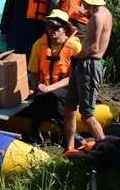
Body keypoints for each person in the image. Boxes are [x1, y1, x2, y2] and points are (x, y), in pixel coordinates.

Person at [63, 0, 111, 152]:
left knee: (87, 115)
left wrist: (75, 54)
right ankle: (69, 147)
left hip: (89, 65)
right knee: (69, 107)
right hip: (83, 65)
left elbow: (94, 48)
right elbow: (91, 38)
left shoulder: (98, 17)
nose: (81, 1)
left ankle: (108, 149)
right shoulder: (101, 13)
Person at [26, 10, 81, 144]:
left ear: (65, 29)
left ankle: (70, 134)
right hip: (44, 87)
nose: (52, 31)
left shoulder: (75, 47)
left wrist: (50, 88)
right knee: (39, 100)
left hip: (67, 87)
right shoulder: (39, 45)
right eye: (49, 28)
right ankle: (35, 133)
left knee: (55, 99)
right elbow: (33, 71)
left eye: (56, 28)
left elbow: (74, 77)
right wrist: (35, 87)